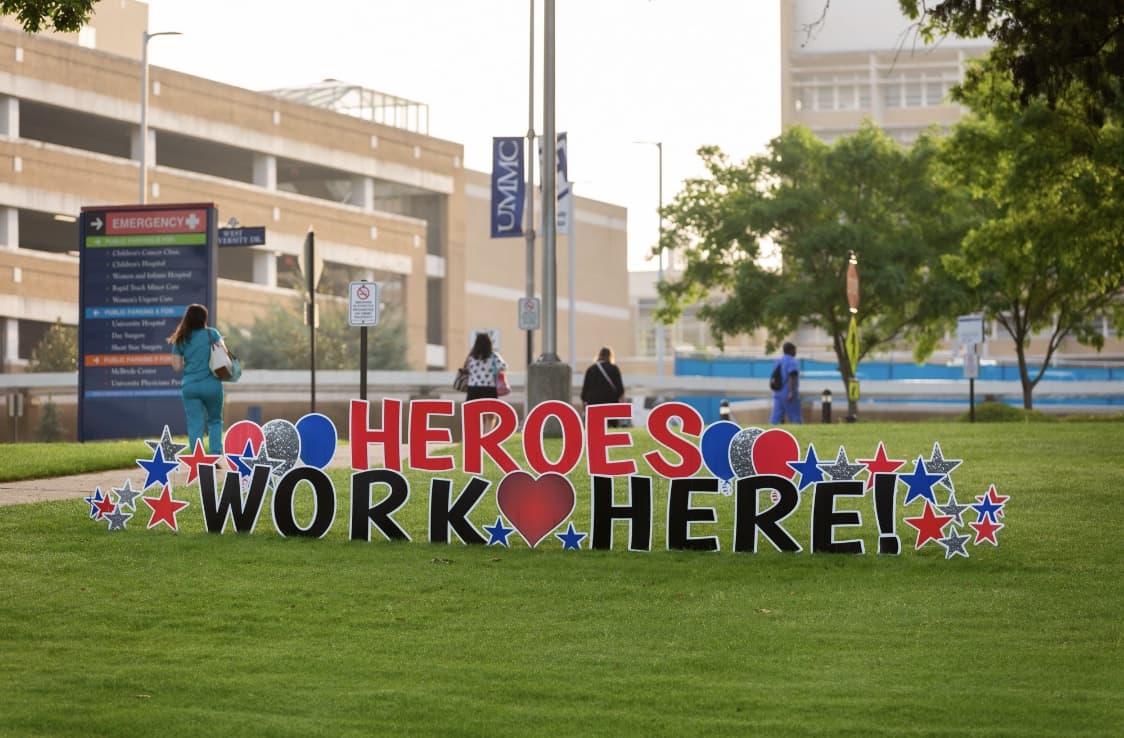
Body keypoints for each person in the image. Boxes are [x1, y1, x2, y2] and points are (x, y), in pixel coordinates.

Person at [168, 303, 227, 454]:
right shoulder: (212, 334)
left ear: (187, 319)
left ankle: (198, 460)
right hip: (212, 385)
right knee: (215, 421)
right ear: (203, 318)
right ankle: (214, 455)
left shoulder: (181, 339)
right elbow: (224, 354)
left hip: (190, 386)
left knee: (195, 424)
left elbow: (177, 366)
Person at [463, 332, 507, 431]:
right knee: (490, 416)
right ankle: (487, 435)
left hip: (473, 388)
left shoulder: (471, 357)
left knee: (473, 415)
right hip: (489, 388)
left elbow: (465, 368)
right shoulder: (494, 356)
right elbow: (503, 367)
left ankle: (474, 436)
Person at [581, 346, 626, 427]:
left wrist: (584, 404)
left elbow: (585, 390)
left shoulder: (591, 369)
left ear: (599, 355)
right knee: (610, 428)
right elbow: (620, 389)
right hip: (610, 403)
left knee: (595, 427)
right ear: (610, 356)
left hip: (593, 403)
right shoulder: (614, 369)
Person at [769, 341, 802, 424]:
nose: (795, 352)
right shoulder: (792, 361)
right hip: (788, 393)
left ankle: (771, 432)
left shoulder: (778, 361)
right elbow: (792, 376)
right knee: (795, 416)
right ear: (791, 350)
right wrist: (791, 392)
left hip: (778, 393)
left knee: (776, 417)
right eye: (794, 350)